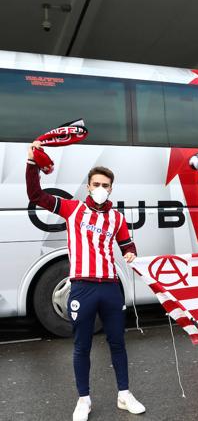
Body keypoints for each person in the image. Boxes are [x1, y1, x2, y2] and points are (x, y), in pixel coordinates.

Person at [25, 141, 145, 421]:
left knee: (118, 342)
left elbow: (128, 245)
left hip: (111, 288)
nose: (101, 188)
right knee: (82, 345)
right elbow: (35, 195)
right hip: (82, 287)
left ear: (111, 188)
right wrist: (32, 163)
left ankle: (124, 395)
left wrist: (130, 254)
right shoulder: (73, 209)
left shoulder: (117, 218)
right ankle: (83, 399)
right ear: (89, 186)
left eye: (105, 184)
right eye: (96, 184)